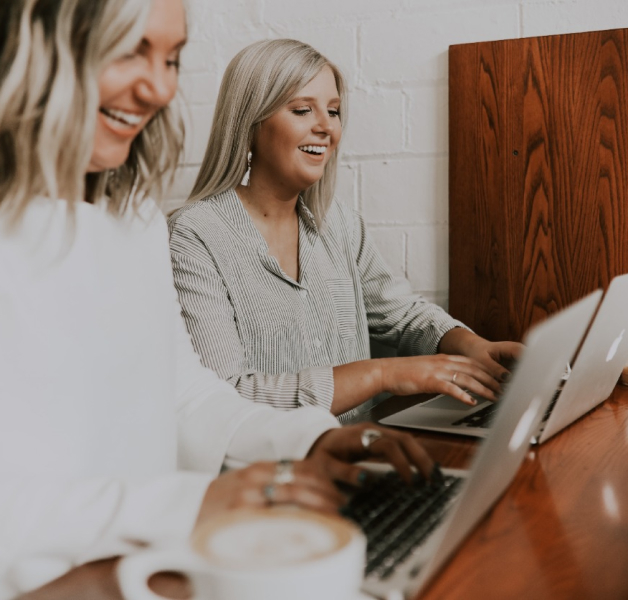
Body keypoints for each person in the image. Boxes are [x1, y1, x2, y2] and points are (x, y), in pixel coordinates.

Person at [0, 3, 434, 598]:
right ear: (40, 42)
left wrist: (306, 439)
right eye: (130, 49)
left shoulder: (133, 223)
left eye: (173, 58)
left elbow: (187, 394)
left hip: (149, 570)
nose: (158, 87)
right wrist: (191, 503)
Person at [168, 39, 523, 416]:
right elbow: (225, 397)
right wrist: (381, 374)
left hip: (364, 455)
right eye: (303, 110)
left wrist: (472, 346)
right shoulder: (193, 236)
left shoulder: (338, 224)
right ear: (250, 122)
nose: (326, 127)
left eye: (334, 111)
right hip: (273, 468)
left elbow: (400, 314)